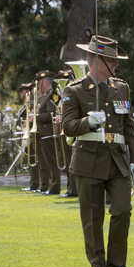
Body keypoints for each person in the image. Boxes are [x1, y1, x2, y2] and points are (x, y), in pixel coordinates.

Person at [62, 35, 134, 267]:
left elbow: (130, 127)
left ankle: (117, 262)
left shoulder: (122, 87)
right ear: (96, 60)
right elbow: (67, 126)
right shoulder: (73, 90)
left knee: (122, 210)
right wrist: (88, 122)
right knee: (93, 217)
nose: (116, 66)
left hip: (118, 160)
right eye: (111, 61)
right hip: (88, 161)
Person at [32, 70, 61, 195]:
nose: (38, 86)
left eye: (39, 83)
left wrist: (35, 118)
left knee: (52, 162)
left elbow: (51, 114)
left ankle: (55, 187)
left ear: (44, 82)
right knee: (45, 162)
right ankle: (49, 185)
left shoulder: (53, 95)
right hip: (41, 132)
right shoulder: (44, 96)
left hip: (48, 132)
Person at [53, 70, 79, 198]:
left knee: (72, 163)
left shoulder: (73, 89)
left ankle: (74, 189)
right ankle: (70, 188)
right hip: (65, 130)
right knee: (68, 163)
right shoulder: (62, 92)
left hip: (72, 130)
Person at [17, 82, 42, 192]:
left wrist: (27, 124)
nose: (20, 94)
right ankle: (33, 182)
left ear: (28, 92)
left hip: (31, 135)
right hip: (25, 134)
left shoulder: (31, 104)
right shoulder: (25, 105)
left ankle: (35, 184)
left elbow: (33, 119)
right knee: (30, 159)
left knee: (33, 159)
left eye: (22, 92)